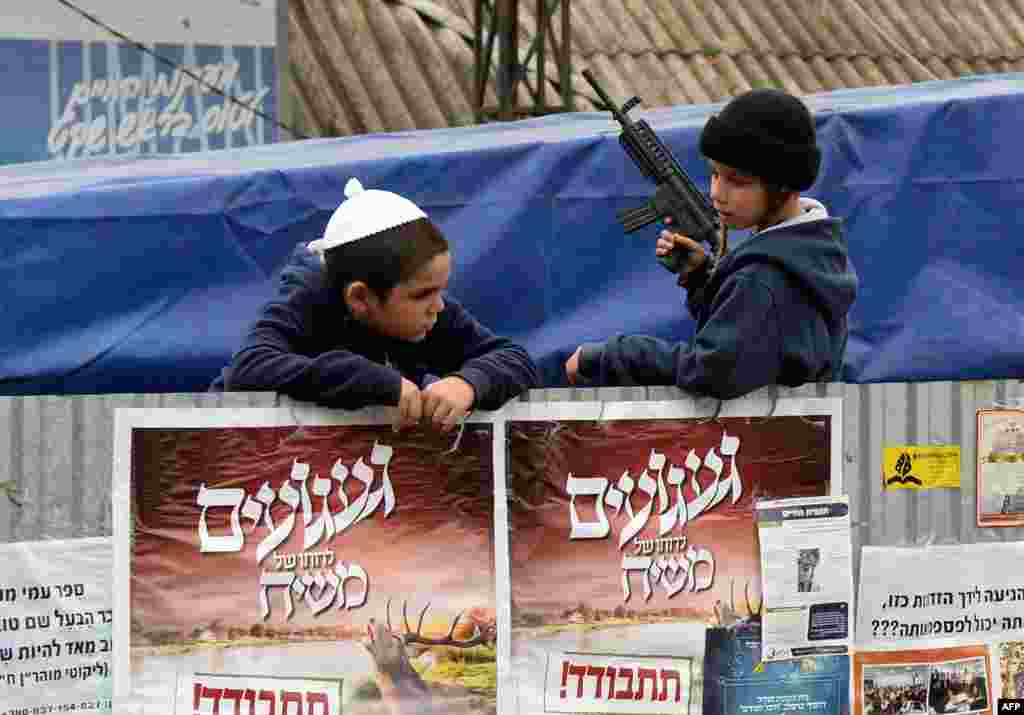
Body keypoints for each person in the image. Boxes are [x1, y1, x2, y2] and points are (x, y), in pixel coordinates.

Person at [565, 88, 859, 400]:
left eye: (737, 181)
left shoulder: (764, 279)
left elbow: (713, 369)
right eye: (715, 174)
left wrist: (610, 355)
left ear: (783, 185)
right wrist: (700, 276)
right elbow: (753, 338)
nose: (717, 192)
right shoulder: (814, 253)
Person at [212, 178, 539, 431]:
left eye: (440, 291)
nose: (438, 306)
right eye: (422, 295)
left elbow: (514, 359)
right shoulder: (309, 298)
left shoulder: (429, 312)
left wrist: (468, 383)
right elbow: (248, 370)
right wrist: (371, 381)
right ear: (360, 299)